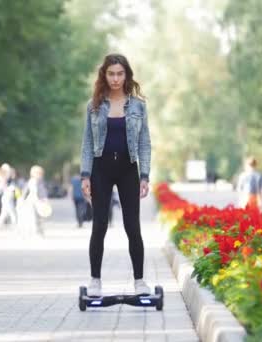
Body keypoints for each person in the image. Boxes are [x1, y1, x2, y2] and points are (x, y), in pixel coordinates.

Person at [80, 53, 152, 297]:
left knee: (132, 226)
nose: (115, 78)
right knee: (99, 225)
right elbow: (87, 144)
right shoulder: (94, 106)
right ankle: (95, 280)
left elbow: (144, 143)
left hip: (128, 169)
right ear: (104, 75)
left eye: (120, 73)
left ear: (126, 75)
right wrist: (85, 175)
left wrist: (145, 176)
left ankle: (140, 281)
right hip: (101, 170)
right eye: (111, 73)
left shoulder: (138, 106)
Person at [18, 165, 49, 238]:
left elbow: (42, 192)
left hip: (37, 202)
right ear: (34, 174)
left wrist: (45, 199)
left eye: (41, 174)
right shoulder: (32, 181)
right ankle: (35, 233)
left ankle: (39, 232)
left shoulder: (39, 182)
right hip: (32, 202)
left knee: (38, 217)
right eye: (39, 173)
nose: (41, 175)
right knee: (33, 218)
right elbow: (29, 192)